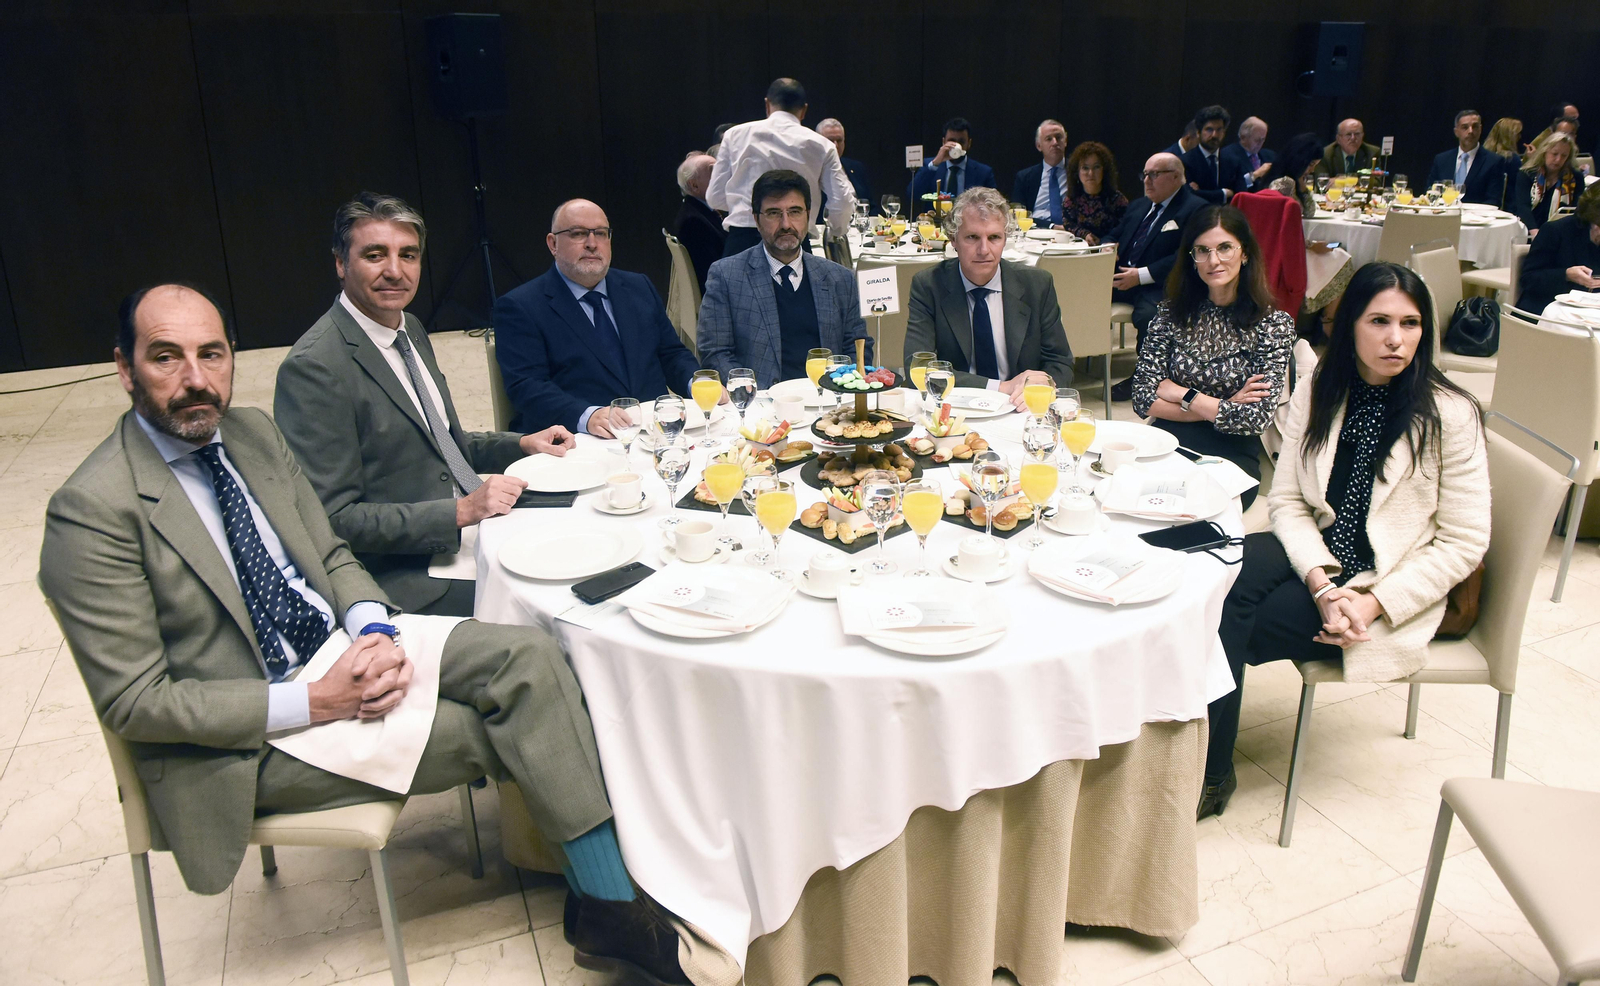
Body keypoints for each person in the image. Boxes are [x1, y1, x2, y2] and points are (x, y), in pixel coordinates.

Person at [41, 282, 691, 986]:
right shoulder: (93, 510)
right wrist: (318, 699)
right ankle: (616, 907)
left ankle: (606, 902)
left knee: (531, 654)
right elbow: (137, 703)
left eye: (212, 354)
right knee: (503, 728)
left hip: (337, 648)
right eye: (167, 357)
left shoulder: (250, 435)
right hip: (248, 736)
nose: (196, 379)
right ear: (124, 367)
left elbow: (328, 554)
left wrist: (374, 629)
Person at [1199, 262, 1488, 819]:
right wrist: (1320, 582)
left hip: (1386, 583)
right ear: (1349, 323)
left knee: (1225, 621)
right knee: (1211, 580)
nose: (1396, 338)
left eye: (1410, 323)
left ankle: (1208, 774)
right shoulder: (1320, 389)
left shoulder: (1451, 414)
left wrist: (1370, 603)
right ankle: (1185, 753)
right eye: (1379, 321)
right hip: (1318, 553)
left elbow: (1464, 542)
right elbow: (1288, 501)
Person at [275, 193, 576, 619]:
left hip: (469, 531)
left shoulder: (409, 328)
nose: (395, 271)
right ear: (341, 264)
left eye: (408, 255)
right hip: (408, 571)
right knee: (558, 606)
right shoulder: (315, 367)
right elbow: (331, 519)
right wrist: (460, 512)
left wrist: (522, 443)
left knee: (585, 538)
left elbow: (439, 443)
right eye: (375, 255)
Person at [1130, 206, 1295, 510]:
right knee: (1127, 504)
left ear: (1245, 253)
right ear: (1192, 259)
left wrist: (1183, 394)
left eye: (1225, 248)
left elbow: (1253, 420)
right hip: (1164, 445)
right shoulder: (1170, 314)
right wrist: (1226, 405)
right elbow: (1142, 398)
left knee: (1189, 512)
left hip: (1230, 456)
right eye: (1202, 251)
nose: (1213, 260)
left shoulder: (1273, 325)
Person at [493, 199, 703, 436]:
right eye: (578, 234)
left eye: (601, 234)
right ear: (553, 244)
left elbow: (671, 353)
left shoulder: (638, 287)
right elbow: (527, 386)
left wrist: (696, 384)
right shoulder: (520, 307)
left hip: (655, 433)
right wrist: (587, 416)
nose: (592, 244)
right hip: (577, 439)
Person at [903, 187, 1073, 408]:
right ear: (953, 239)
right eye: (972, 237)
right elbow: (917, 367)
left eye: (994, 237)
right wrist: (1000, 387)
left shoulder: (1037, 285)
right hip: (956, 408)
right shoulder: (929, 285)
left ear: (1005, 239)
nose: (984, 250)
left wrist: (1041, 385)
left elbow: (1060, 362)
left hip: (1020, 407)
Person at [698, 169, 870, 387]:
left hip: (827, 398)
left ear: (808, 216)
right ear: (756, 220)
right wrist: (746, 390)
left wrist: (843, 387)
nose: (786, 224)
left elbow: (858, 346)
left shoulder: (840, 278)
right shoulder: (727, 276)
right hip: (761, 400)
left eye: (795, 211)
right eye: (773, 213)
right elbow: (714, 351)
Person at [707, 78, 856, 257]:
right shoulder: (822, 145)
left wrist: (746, 208)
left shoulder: (734, 136)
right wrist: (836, 231)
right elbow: (842, 200)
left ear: (767, 104)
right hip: (795, 239)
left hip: (743, 239)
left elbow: (715, 197)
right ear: (804, 110)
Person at [1105, 152, 1207, 400]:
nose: (1147, 181)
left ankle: (1145, 377)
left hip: (1160, 283)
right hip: (1121, 276)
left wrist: (1140, 275)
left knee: (1150, 315)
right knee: (1075, 292)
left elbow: (1186, 255)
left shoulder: (1196, 209)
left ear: (1176, 177)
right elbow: (1114, 233)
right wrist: (1108, 246)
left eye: (1155, 174)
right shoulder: (1140, 205)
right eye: (1145, 174)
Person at [1264, 133, 1356, 320]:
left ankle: (1327, 321)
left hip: (1296, 244)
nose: (1312, 169)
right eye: (1311, 164)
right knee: (1341, 258)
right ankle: (1329, 322)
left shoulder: (1292, 181)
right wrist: (1311, 245)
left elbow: (1309, 212)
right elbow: (1278, 230)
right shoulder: (1282, 184)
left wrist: (1302, 186)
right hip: (1288, 251)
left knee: (1338, 251)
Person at [1515, 182, 1600, 315]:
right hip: (1547, 312)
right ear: (1593, 217)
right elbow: (1528, 279)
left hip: (1590, 312)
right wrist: (1566, 275)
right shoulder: (1556, 231)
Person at [908, 117, 997, 209]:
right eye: (952, 141)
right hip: (936, 217)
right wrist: (935, 164)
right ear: (943, 142)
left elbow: (994, 204)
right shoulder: (930, 166)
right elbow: (912, 194)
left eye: (961, 142)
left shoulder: (983, 173)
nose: (956, 146)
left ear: (969, 143)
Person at [1512, 131, 1583, 237]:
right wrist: (1535, 232)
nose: (1558, 160)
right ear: (1544, 151)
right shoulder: (1527, 174)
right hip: (1529, 231)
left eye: (1564, 156)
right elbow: (1523, 207)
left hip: (1562, 233)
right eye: (1554, 154)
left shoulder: (1575, 178)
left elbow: (1577, 211)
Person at [1425, 110, 1502, 205]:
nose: (1470, 131)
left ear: (1480, 129)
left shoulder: (1493, 161)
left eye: (1475, 127)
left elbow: (1493, 200)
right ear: (1456, 132)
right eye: (1465, 127)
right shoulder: (1441, 160)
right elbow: (1430, 192)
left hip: (1478, 213)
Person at [673, 152, 725, 292]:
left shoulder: (700, 211)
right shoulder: (693, 222)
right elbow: (710, 271)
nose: (722, 176)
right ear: (694, 185)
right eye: (713, 171)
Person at [1059, 141, 1129, 245]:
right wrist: (1085, 234)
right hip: (1080, 249)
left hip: (1111, 249)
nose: (1091, 173)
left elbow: (1125, 227)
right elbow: (1069, 224)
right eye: (1085, 168)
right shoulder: (1071, 200)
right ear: (1077, 172)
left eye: (1096, 167)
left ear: (1104, 170)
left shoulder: (1117, 200)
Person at [1182, 105, 1248, 204]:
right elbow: (1188, 196)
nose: (1214, 135)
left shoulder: (1233, 161)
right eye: (1209, 129)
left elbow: (1241, 196)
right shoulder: (1185, 161)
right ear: (1198, 132)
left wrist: (1201, 192)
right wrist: (1223, 193)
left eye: (1219, 130)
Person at [1010, 119, 1070, 227]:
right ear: (1039, 146)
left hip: (1071, 231)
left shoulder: (1078, 173)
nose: (1055, 142)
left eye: (1058, 137)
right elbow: (1016, 215)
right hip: (1036, 230)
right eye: (1049, 139)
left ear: (1065, 141)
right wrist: (1051, 226)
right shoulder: (1025, 177)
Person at [815, 118, 873, 214]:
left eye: (839, 140)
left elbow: (872, 205)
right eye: (830, 140)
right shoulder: (812, 170)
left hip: (861, 221)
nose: (835, 145)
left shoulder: (856, 167)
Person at [1221, 116, 1276, 190]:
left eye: (1263, 139)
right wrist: (1255, 175)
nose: (1260, 144)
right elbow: (1232, 187)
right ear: (1243, 137)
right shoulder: (1228, 155)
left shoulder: (1270, 156)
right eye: (1257, 140)